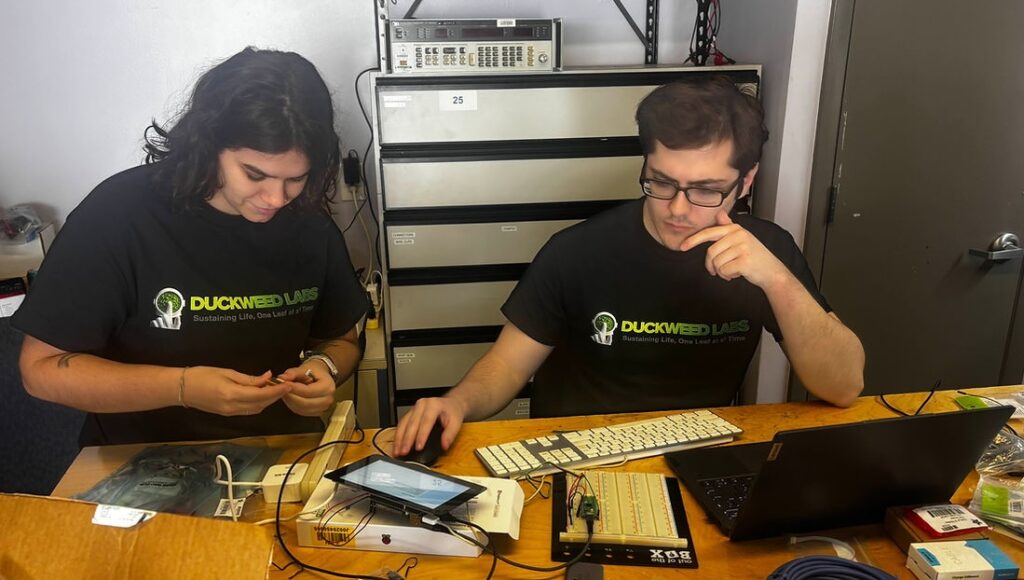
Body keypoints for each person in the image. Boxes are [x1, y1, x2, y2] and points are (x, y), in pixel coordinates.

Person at [394, 76, 865, 457]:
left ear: (746, 182)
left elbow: (843, 386)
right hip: (577, 455)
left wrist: (777, 280)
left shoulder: (769, 252)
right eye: (661, 182)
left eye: (706, 190)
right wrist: (457, 402)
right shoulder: (576, 251)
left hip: (696, 453)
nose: (677, 209)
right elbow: (506, 365)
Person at [13, 47, 369, 446]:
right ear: (209, 144)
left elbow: (341, 341)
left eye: (295, 179)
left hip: (279, 455)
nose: (275, 198)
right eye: (254, 175)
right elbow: (40, 370)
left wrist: (324, 367)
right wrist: (182, 388)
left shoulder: (308, 223)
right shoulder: (120, 214)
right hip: (140, 455)